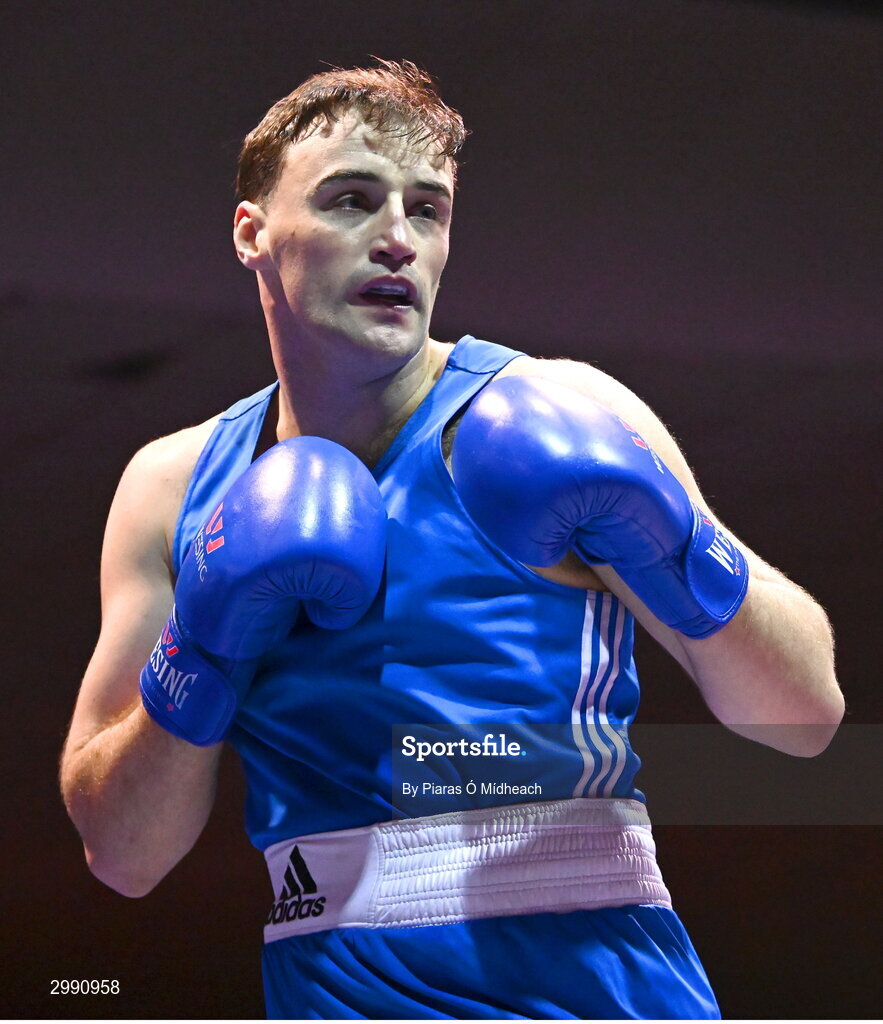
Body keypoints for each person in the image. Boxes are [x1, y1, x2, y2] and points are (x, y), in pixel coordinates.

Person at [60, 59, 844, 1020]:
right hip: (329, 983)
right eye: (352, 200)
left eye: (426, 210)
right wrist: (205, 642)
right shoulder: (175, 487)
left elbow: (806, 719)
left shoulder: (557, 412)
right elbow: (121, 856)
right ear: (252, 233)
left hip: (587, 979)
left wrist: (668, 535)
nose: (397, 238)